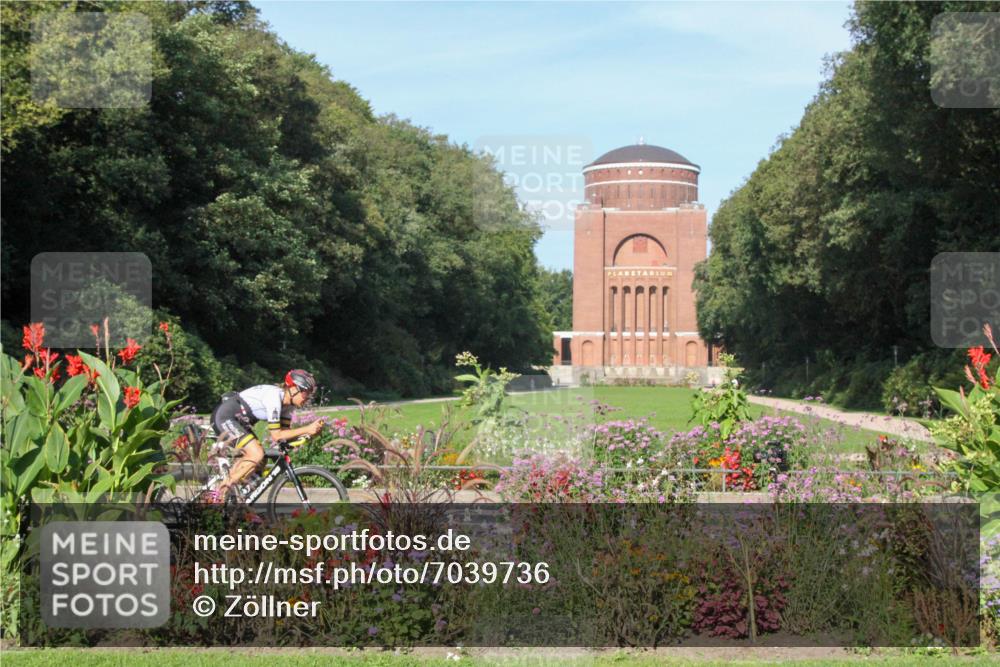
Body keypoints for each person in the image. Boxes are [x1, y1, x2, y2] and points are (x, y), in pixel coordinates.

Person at [210, 369, 324, 500]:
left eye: (310, 393)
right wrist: (306, 429)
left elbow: (284, 435)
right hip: (225, 416)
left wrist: (310, 434)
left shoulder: (288, 406)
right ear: (293, 389)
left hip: (239, 422)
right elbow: (277, 435)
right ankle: (220, 493)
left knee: (261, 460)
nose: (308, 397)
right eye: (305, 393)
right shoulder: (274, 398)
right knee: (256, 454)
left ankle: (234, 499)